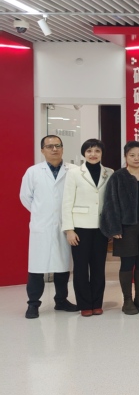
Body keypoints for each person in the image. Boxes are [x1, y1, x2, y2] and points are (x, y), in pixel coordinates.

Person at [20, 135, 78, 319]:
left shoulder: (73, 170)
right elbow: (25, 197)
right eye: (50, 146)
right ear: (42, 150)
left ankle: (61, 300)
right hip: (42, 226)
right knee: (37, 267)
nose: (54, 149)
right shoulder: (33, 172)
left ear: (63, 148)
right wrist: (41, 212)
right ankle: (33, 304)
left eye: (58, 146)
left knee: (63, 265)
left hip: (65, 224)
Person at [100, 140, 139, 315]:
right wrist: (114, 228)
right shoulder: (118, 176)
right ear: (125, 157)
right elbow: (110, 203)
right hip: (126, 227)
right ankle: (127, 300)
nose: (136, 158)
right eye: (132, 155)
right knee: (127, 263)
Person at [62, 138, 113, 317]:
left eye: (97, 151)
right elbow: (67, 201)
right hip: (80, 227)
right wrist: (69, 229)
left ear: (102, 154)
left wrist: (110, 227)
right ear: (84, 153)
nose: (93, 154)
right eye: (89, 151)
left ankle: (97, 303)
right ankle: (84, 304)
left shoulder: (109, 172)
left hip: (101, 228)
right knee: (81, 268)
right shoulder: (74, 173)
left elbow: (111, 202)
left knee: (99, 267)